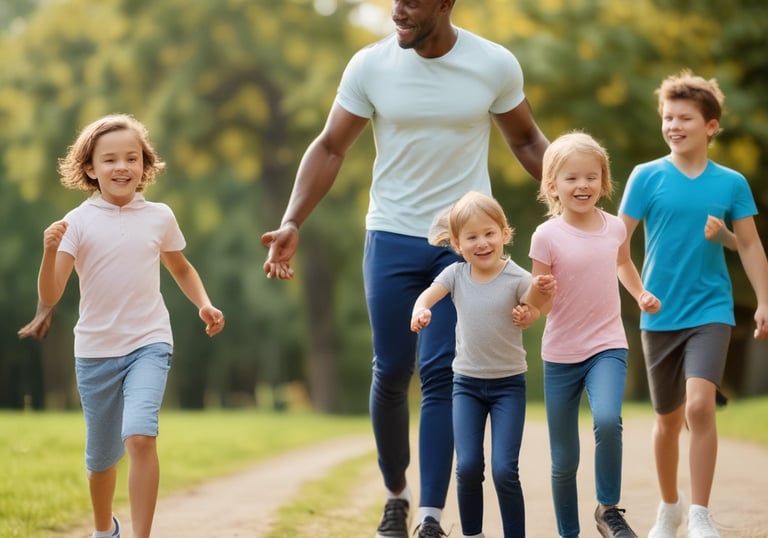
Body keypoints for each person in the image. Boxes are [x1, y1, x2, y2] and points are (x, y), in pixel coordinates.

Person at [260, 1, 549, 536]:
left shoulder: (494, 64)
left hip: (460, 242)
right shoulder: (370, 66)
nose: (399, 9)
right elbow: (329, 147)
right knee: (392, 370)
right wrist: (292, 220)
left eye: (413, 0)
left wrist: (572, 201)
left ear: (445, 3)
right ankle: (397, 493)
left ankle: (431, 516)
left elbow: (527, 140)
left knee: (442, 373)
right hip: (391, 235)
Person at [19, 114, 225, 538]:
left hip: (149, 343)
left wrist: (203, 304)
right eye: (110, 159)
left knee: (140, 436)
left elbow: (181, 268)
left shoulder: (159, 216)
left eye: (132, 158)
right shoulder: (77, 222)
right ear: (91, 169)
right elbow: (53, 294)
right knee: (100, 462)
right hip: (95, 352)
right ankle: (103, 530)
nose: (122, 167)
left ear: (143, 165)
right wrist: (49, 251)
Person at [619, 70, 768, 538]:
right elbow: (616, 246)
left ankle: (700, 513)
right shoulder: (646, 177)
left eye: (684, 117)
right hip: (659, 312)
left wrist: (764, 300)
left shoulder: (731, 183)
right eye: (668, 117)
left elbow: (748, 245)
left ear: (711, 125)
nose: (673, 125)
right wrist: (638, 292)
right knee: (667, 420)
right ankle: (670, 507)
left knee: (700, 407)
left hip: (711, 309)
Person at [527, 132, 661, 538]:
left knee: (607, 419)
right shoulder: (545, 236)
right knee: (564, 458)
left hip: (607, 344)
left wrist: (639, 293)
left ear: (604, 182)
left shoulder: (615, 228)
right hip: (561, 352)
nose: (582, 185)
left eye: (591, 177)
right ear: (553, 186)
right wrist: (538, 298)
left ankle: (609, 509)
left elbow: (623, 263)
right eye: (571, 178)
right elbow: (541, 303)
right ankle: (569, 532)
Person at [410, 191, 554, 538]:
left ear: (505, 233)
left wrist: (536, 301)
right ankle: (472, 533)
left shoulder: (517, 277)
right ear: (457, 244)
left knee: (505, 470)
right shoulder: (456, 275)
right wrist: (420, 309)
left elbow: (538, 308)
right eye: (471, 237)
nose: (482, 242)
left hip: (508, 387)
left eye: (489, 233)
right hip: (467, 387)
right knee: (468, 465)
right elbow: (428, 293)